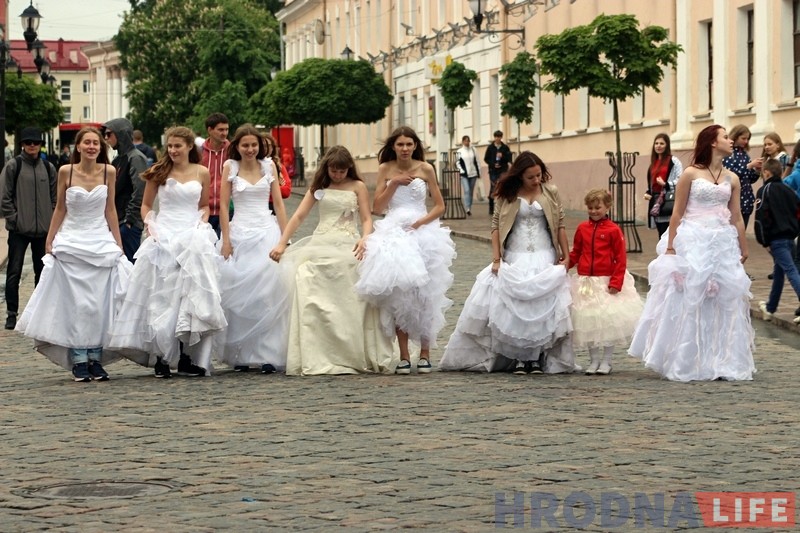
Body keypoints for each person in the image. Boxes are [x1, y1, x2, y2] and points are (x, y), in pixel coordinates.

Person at [629, 124, 755, 382]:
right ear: (712, 142)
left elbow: (737, 216)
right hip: (693, 237)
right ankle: (687, 359)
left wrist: (743, 245)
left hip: (721, 240)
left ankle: (722, 360)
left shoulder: (732, 177)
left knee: (723, 297)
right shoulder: (690, 174)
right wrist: (672, 245)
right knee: (691, 294)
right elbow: (678, 212)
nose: (730, 141)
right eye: (725, 137)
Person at [440, 151, 578, 374]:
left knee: (541, 307)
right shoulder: (508, 194)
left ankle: (537, 356)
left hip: (544, 254)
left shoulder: (550, 192)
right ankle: (521, 357)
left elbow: (560, 224)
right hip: (516, 254)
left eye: (539, 175)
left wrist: (566, 254)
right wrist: (496, 259)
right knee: (518, 308)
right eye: (531, 177)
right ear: (520, 176)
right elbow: (495, 226)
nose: (536, 180)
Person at [109, 126, 227, 378]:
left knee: (189, 295)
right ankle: (161, 355)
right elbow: (146, 206)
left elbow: (204, 205)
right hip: (165, 234)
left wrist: (202, 222)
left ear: (188, 147)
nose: (173, 150)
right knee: (162, 295)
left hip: (191, 236)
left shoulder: (202, 172)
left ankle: (185, 355)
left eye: (178, 146)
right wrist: (151, 226)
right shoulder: (158, 173)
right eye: (170, 146)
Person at [15, 127, 131, 382]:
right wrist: (51, 238)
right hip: (73, 239)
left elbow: (110, 208)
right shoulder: (66, 171)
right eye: (86, 143)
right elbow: (60, 208)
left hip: (99, 239)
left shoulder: (108, 172)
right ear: (78, 147)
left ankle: (96, 357)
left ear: (101, 148)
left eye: (96, 143)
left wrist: (117, 242)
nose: (91, 147)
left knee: (99, 303)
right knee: (78, 303)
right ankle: (79, 358)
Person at [269, 146, 395, 376]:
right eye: (334, 171)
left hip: (348, 241)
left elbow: (367, 218)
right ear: (327, 169)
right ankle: (316, 350)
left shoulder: (357, 187)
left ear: (349, 169)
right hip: (322, 241)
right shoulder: (319, 188)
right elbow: (298, 216)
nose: (338, 175)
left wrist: (366, 238)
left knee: (353, 282)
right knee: (306, 276)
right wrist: (282, 242)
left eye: (342, 171)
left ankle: (351, 349)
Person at [356, 126, 456, 374]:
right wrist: (394, 184)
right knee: (400, 292)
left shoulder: (425, 168)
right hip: (394, 231)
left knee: (425, 292)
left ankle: (424, 352)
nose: (404, 149)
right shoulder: (385, 169)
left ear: (415, 146)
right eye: (400, 144)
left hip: (422, 231)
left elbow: (439, 205)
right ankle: (402, 355)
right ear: (393, 146)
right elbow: (377, 207)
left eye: (409, 144)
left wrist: (422, 222)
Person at [217, 124, 289, 373]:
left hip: (266, 232)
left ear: (260, 146)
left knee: (267, 293)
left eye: (253, 145)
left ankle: (268, 352)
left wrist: (284, 237)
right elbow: (224, 206)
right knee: (240, 295)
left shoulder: (269, 166)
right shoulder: (230, 167)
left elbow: (278, 204)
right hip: (239, 234)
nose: (250, 149)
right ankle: (241, 354)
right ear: (237, 146)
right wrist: (226, 240)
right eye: (245, 145)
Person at [567, 189, 643, 375]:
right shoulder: (582, 228)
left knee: (607, 321)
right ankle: (593, 361)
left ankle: (606, 361)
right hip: (586, 282)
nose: (594, 211)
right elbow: (576, 252)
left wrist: (616, 282)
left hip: (606, 281)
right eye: (590, 208)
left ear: (607, 207)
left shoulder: (613, 230)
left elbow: (620, 258)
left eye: (597, 207)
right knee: (589, 321)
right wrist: (564, 266)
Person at [0, 127, 57, 330]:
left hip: (43, 230)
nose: (32, 146)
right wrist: (14, 219)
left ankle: (38, 313)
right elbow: (4, 196)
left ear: (41, 144)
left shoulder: (49, 168)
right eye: (28, 142)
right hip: (19, 230)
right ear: (23, 144)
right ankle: (11, 313)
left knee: (42, 272)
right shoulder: (14, 166)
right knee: (14, 271)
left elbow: (55, 198)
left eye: (36, 142)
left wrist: (51, 220)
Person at [755, 159, 800, 325]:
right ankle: (771, 307)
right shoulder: (789, 191)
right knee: (780, 272)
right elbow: (797, 212)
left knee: (791, 271)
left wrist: (764, 241)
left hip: (776, 240)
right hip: (790, 238)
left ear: (766, 173)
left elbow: (761, 218)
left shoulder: (764, 190)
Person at [102, 118, 147, 263]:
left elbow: (140, 190)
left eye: (109, 134)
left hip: (128, 224)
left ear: (120, 134)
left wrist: (130, 220)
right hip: (118, 222)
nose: (106, 138)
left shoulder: (135, 158)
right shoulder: (118, 159)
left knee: (129, 267)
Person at [722, 125, 761, 230]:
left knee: (741, 234)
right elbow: (728, 177)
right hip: (733, 202)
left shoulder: (745, 155)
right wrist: (749, 166)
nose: (746, 141)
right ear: (735, 137)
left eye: (748, 139)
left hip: (746, 202)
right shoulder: (728, 154)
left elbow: (749, 179)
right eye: (743, 138)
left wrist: (757, 171)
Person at [643, 133, 683, 238]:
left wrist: (666, 184)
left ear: (667, 145)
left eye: (661, 143)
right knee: (660, 232)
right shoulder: (653, 163)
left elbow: (681, 179)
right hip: (656, 201)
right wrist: (648, 192)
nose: (658, 146)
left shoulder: (673, 161)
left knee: (669, 231)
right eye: (656, 143)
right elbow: (651, 182)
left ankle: (670, 251)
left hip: (668, 199)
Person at [199, 112, 230, 238]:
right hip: (204, 210)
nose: (224, 133)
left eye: (227, 129)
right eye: (220, 130)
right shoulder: (198, 153)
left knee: (225, 249)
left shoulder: (233, 151)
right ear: (210, 130)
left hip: (228, 209)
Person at [483, 130, 512, 215]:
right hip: (493, 170)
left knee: (502, 186)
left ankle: (502, 206)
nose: (497, 138)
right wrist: (492, 164)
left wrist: (502, 157)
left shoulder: (505, 147)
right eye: (496, 137)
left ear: (501, 137)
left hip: (502, 170)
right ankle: (491, 208)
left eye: (499, 137)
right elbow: (486, 158)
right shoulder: (490, 147)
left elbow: (508, 158)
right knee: (493, 187)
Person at [263, 132, 292, 213]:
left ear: (272, 148)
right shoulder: (254, 166)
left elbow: (286, 192)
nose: (266, 149)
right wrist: (275, 186)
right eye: (264, 146)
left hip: (273, 207)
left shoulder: (279, 167)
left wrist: (266, 187)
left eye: (269, 146)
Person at [456, 135, 480, 216]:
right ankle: (467, 208)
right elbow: (457, 163)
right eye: (465, 141)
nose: (467, 142)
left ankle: (469, 206)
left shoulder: (473, 150)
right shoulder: (459, 151)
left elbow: (477, 161)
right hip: (464, 174)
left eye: (468, 141)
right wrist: (461, 171)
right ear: (463, 142)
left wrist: (478, 172)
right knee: (466, 190)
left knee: (471, 191)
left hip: (473, 174)